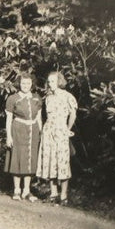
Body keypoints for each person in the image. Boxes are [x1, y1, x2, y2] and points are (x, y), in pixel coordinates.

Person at [36, 69, 78, 204]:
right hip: (48, 131)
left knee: (63, 162)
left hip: (61, 131)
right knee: (50, 162)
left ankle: (64, 195)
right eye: (49, 82)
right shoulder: (48, 98)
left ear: (59, 81)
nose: (51, 84)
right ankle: (53, 194)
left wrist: (68, 128)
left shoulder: (67, 96)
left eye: (53, 81)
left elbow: (73, 114)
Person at [2, 72, 43, 200]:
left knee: (30, 160)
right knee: (17, 158)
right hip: (18, 130)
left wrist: (41, 134)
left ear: (32, 84)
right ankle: (16, 190)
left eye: (28, 83)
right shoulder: (12, 98)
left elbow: (39, 118)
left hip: (33, 131)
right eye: (23, 83)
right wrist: (9, 136)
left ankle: (26, 191)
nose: (26, 85)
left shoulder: (37, 98)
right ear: (19, 84)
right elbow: (9, 119)